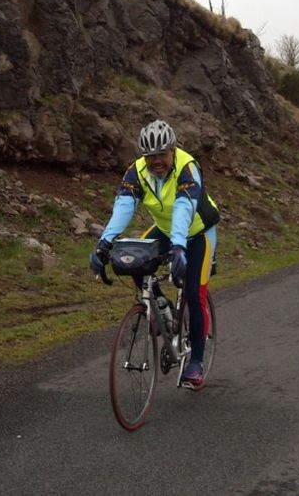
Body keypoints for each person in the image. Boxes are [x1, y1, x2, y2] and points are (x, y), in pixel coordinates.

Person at [89, 119, 220, 391]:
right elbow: (124, 207)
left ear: (173, 150)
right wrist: (104, 243)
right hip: (164, 229)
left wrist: (179, 247)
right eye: (151, 156)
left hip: (198, 233)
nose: (156, 161)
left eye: (162, 154)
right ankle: (161, 306)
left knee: (195, 294)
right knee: (132, 258)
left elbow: (184, 208)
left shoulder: (187, 167)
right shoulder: (136, 172)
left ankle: (195, 362)